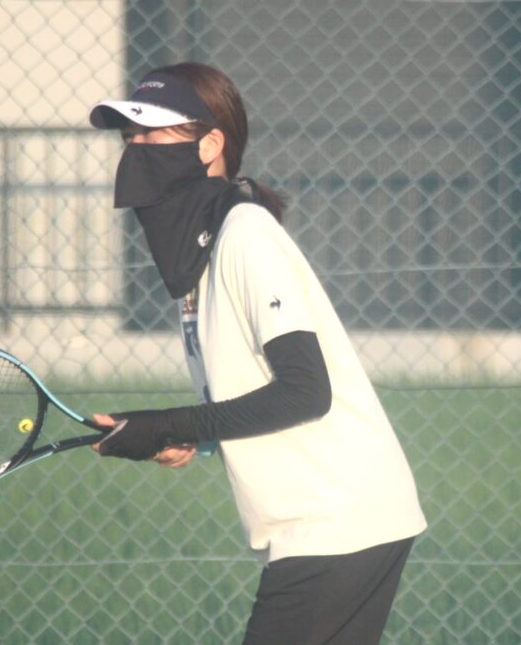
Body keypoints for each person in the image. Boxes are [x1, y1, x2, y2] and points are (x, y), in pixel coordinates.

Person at [88, 62, 427, 645]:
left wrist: (170, 422)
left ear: (209, 145)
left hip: (338, 519)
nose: (135, 149)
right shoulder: (203, 250)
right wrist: (194, 437)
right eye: (129, 136)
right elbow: (251, 390)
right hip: (328, 524)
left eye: (151, 133)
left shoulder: (245, 232)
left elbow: (305, 392)